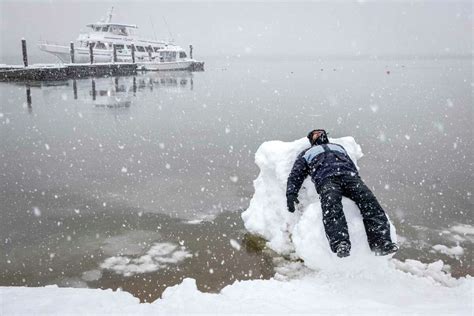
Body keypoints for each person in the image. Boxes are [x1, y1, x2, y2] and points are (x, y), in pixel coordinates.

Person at [286, 129, 398, 258]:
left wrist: (356, 178)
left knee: (370, 202)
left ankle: (381, 243)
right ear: (311, 138)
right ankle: (341, 243)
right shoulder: (306, 153)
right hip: (327, 180)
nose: (318, 134)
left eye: (320, 132)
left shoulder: (338, 147)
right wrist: (291, 193)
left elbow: (351, 164)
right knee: (331, 206)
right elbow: (296, 174)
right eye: (315, 133)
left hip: (350, 178)